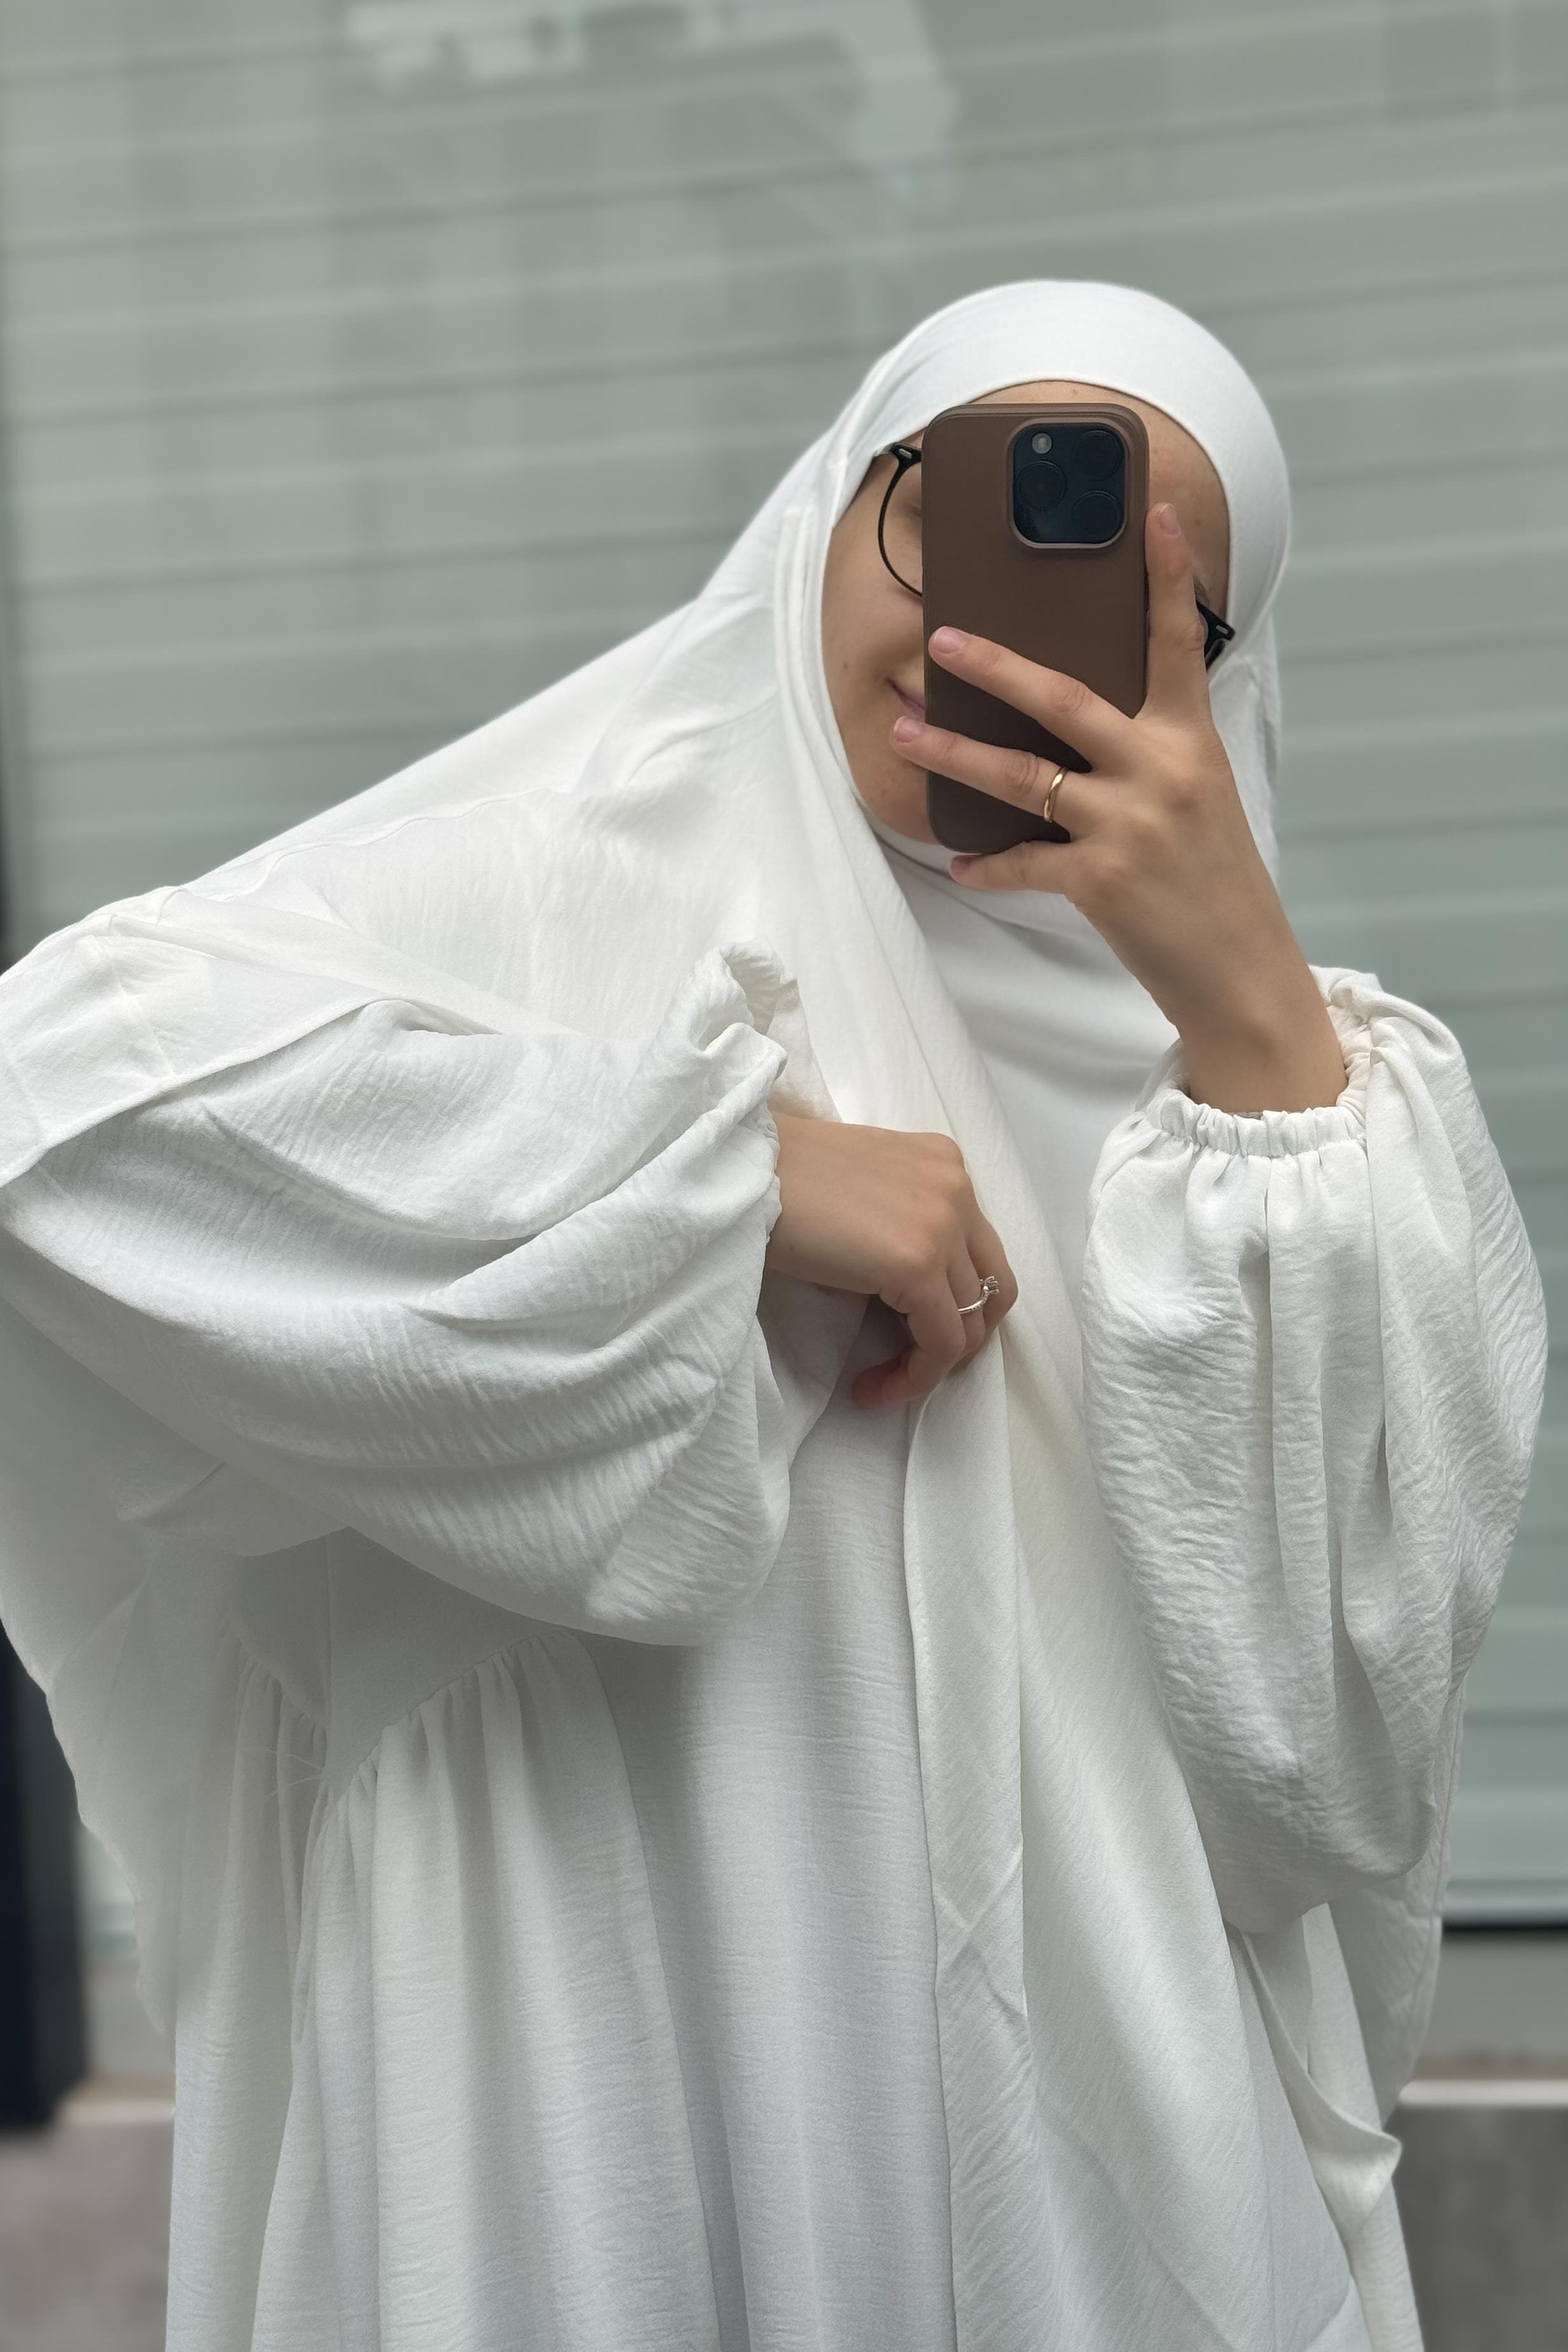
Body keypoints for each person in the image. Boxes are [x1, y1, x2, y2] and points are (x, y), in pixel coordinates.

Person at [0, 282, 1544, 2352]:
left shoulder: (1318, 1114)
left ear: (1222, 669)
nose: (989, 624)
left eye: (1141, 597)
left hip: (1090, 2166)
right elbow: (46, 1111)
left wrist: (1250, 1014)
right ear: (828, 509)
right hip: (584, 2093)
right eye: (953, 511)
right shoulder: (533, 907)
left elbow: (1323, 1783)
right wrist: (722, 1179)